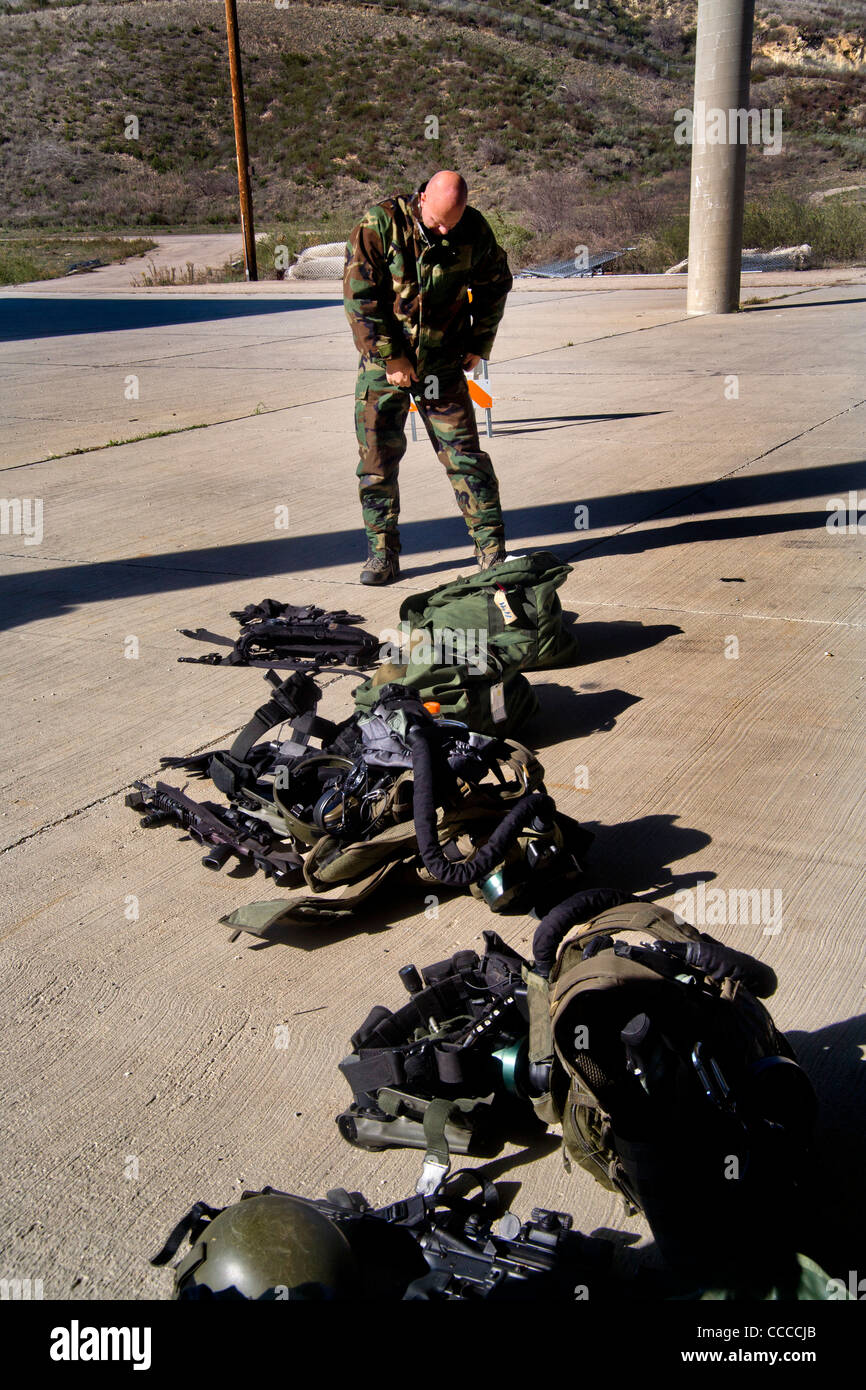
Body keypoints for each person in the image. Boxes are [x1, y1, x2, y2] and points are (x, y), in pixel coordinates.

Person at [343, 170, 512, 584]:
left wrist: (479, 340)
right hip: (384, 368)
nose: (443, 230)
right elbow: (360, 298)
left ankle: (492, 552)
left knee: (466, 460)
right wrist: (392, 357)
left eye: (451, 224)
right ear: (422, 198)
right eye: (437, 222)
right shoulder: (380, 224)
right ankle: (382, 553)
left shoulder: (472, 228)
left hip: (442, 363)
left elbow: (496, 283)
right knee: (377, 462)